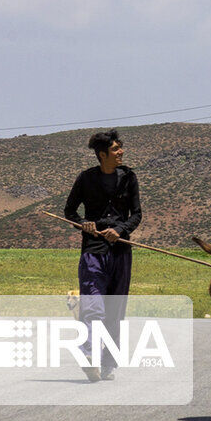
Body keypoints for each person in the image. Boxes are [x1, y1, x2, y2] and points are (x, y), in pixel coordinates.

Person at [63, 129, 142, 382]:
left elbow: (136, 215)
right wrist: (84, 224)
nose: (121, 152)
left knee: (115, 311)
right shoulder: (86, 179)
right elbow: (70, 211)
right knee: (93, 306)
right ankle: (88, 354)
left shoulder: (129, 178)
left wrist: (120, 230)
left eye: (120, 148)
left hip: (120, 252)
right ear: (102, 154)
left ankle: (108, 362)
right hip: (93, 252)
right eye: (116, 149)